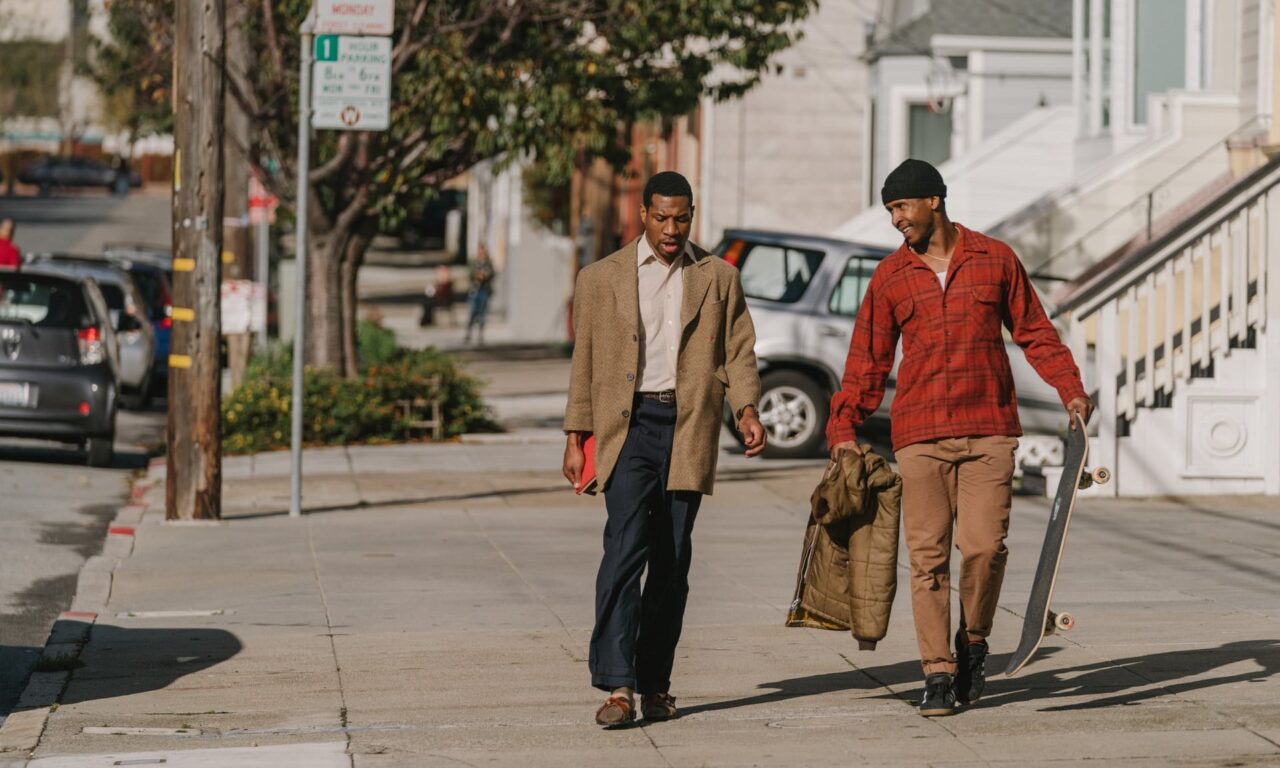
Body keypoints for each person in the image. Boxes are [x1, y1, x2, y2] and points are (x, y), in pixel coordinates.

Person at [826, 159, 1093, 717]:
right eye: (890, 211)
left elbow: (1035, 331)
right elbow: (867, 362)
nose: (896, 220)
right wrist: (844, 426)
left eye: (901, 207)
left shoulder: (995, 259)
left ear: (933, 201)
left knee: (983, 548)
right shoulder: (890, 277)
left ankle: (973, 639)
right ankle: (937, 675)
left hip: (989, 430)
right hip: (919, 434)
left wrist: (1069, 386)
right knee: (927, 559)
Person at [563, 171, 766, 727]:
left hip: (688, 427)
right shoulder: (600, 278)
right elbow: (585, 363)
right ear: (644, 215)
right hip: (625, 429)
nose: (671, 229)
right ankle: (618, 685)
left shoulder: (718, 277)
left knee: (672, 562)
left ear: (691, 216)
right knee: (625, 549)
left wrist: (746, 409)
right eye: (661, 218)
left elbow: (739, 349)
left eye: (681, 218)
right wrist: (575, 434)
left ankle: (656, 685)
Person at [464, 246, 495, 345]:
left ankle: (480, 334)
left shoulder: (488, 263)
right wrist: (476, 275)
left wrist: (485, 275)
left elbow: (493, 274)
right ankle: (468, 333)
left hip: (484, 290)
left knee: (482, 314)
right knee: (472, 312)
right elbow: (469, 274)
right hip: (474, 290)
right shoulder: (474, 263)